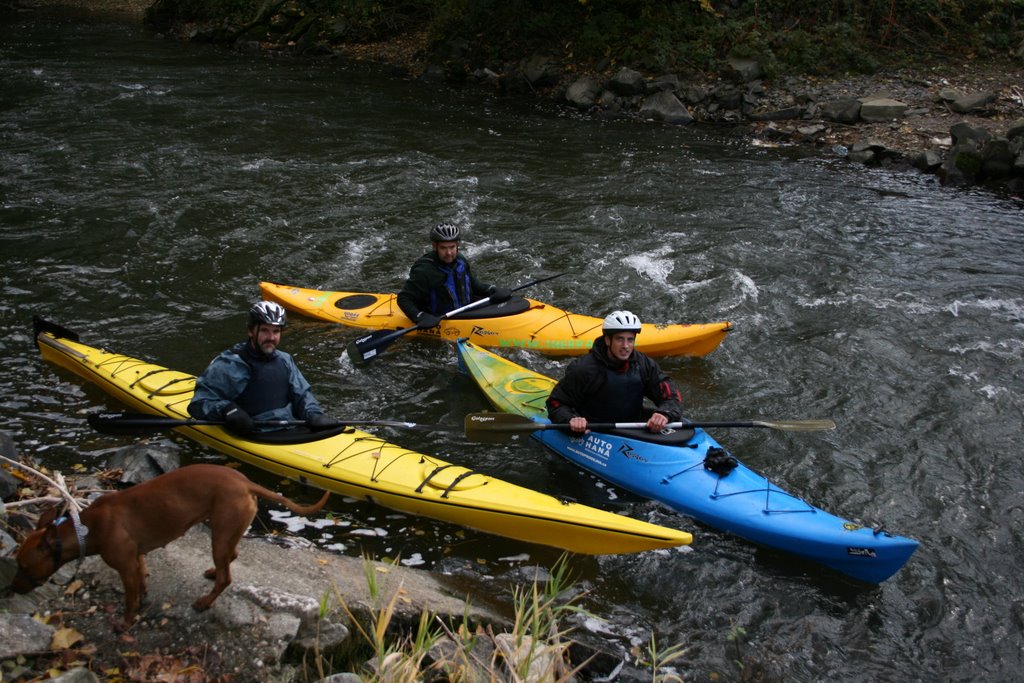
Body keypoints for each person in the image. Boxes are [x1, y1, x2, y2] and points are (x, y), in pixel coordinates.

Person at [188, 301, 334, 435]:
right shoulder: (230, 365)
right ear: (251, 331)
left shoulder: (285, 359)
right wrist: (227, 409)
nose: (271, 337)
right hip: (253, 432)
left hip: (289, 428)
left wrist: (313, 414)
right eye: (265, 330)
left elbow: (302, 395)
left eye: (276, 331)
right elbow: (199, 404)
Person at [546, 310, 683, 434]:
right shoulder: (584, 369)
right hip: (593, 428)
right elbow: (555, 403)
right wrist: (571, 419)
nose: (626, 346)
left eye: (630, 340)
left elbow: (671, 396)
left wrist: (664, 414)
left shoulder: (644, 364)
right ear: (607, 340)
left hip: (631, 426)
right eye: (619, 339)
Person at [396, 222, 511, 329]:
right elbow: (404, 298)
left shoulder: (460, 260)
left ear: (457, 245)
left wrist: (492, 289)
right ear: (435, 247)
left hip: (465, 314)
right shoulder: (424, 270)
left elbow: (472, 283)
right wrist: (420, 316)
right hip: (439, 319)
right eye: (443, 248)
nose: (449, 253)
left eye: (452, 247)